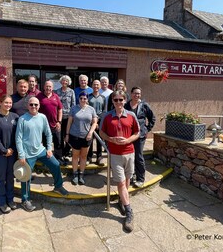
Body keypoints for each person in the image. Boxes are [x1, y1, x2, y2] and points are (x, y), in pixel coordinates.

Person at [15, 97, 69, 212]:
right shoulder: (22, 119)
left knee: (55, 164)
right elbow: (18, 138)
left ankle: (58, 186)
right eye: (31, 105)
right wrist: (21, 154)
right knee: (26, 176)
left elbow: (48, 134)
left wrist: (49, 148)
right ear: (27, 106)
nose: (33, 107)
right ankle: (25, 200)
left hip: (40, 150)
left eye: (36, 104)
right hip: (27, 153)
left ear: (39, 106)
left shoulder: (42, 117)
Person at [100, 90, 140, 233]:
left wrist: (128, 140)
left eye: (120, 100)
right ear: (112, 101)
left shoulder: (131, 115)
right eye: (115, 100)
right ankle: (129, 212)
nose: (118, 102)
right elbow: (101, 132)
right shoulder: (107, 116)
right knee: (121, 182)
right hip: (115, 154)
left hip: (130, 153)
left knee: (127, 180)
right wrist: (111, 139)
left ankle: (122, 201)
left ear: (124, 101)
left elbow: (137, 132)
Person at [125, 86, 156, 188]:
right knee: (130, 157)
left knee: (138, 156)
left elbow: (152, 118)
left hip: (140, 135)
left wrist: (147, 129)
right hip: (129, 135)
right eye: (135, 93)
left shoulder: (144, 105)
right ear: (131, 93)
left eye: (138, 93)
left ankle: (140, 178)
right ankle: (132, 175)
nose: (136, 95)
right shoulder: (126, 105)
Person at [65, 91, 97, 185]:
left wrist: (90, 133)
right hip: (75, 136)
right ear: (78, 99)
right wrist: (67, 134)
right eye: (81, 98)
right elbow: (69, 122)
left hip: (86, 137)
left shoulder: (91, 109)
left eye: (85, 98)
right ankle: (75, 174)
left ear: (87, 99)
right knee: (75, 156)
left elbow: (95, 122)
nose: (83, 100)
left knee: (83, 157)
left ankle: (81, 175)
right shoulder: (74, 108)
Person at [36, 81, 65, 165]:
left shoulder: (55, 96)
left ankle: (58, 158)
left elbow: (60, 109)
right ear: (44, 87)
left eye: (50, 86)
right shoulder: (39, 96)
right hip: (43, 125)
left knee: (58, 142)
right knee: (45, 143)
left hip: (55, 125)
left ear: (52, 88)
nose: (48, 88)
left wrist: (59, 121)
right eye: (47, 86)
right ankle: (47, 160)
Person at [55, 75, 76, 159]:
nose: (64, 82)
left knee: (68, 135)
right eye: (63, 81)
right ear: (61, 82)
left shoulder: (71, 92)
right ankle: (61, 152)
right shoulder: (56, 92)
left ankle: (67, 151)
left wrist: (73, 116)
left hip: (68, 117)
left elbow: (73, 104)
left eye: (66, 81)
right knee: (60, 135)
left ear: (68, 82)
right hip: (59, 117)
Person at [87, 80, 106, 165]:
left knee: (100, 140)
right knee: (89, 139)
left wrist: (97, 120)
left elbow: (104, 111)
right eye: (94, 85)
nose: (96, 86)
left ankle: (99, 157)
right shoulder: (88, 96)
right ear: (92, 86)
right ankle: (89, 157)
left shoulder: (103, 98)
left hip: (99, 122)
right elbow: (86, 109)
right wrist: (92, 120)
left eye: (97, 85)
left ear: (100, 86)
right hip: (90, 121)